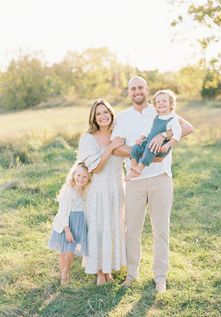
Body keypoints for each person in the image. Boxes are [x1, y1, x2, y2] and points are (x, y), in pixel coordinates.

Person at [112, 76, 193, 293]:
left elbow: (187, 128)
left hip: (161, 178)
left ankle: (160, 277)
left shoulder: (160, 109)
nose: (137, 91)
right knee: (132, 230)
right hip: (135, 181)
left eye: (140, 87)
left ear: (147, 90)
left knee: (161, 230)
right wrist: (144, 153)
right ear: (128, 92)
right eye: (133, 88)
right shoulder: (122, 117)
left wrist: (164, 137)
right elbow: (116, 148)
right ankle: (132, 273)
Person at [77, 99, 126, 286]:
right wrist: (111, 147)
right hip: (97, 191)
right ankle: (99, 271)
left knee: (113, 228)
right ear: (94, 118)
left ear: (111, 113)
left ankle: (109, 269)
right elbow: (95, 167)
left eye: (106, 112)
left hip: (116, 189)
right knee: (97, 229)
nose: (103, 116)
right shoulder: (88, 138)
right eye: (99, 114)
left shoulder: (119, 134)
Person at [48, 161, 90, 284]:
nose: (81, 179)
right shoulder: (68, 191)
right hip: (66, 223)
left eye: (84, 177)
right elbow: (63, 212)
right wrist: (67, 230)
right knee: (63, 250)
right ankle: (64, 274)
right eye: (78, 175)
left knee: (70, 250)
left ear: (88, 179)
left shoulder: (86, 191)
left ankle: (66, 271)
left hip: (78, 224)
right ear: (73, 174)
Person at [125, 89, 182, 181]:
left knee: (150, 147)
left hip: (161, 146)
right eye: (158, 102)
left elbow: (177, 134)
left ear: (171, 104)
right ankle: (134, 168)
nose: (161, 103)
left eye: (164, 101)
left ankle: (140, 168)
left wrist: (168, 144)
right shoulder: (155, 118)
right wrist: (141, 137)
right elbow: (147, 129)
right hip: (149, 141)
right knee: (136, 147)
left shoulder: (172, 120)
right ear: (155, 105)